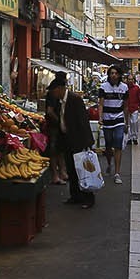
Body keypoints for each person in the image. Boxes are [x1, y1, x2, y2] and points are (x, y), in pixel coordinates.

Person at [47, 74, 96, 208]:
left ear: (60, 89)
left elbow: (83, 122)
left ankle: (88, 198)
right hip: (67, 140)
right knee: (71, 170)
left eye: (54, 91)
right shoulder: (60, 101)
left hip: (78, 141)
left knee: (83, 171)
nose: (53, 94)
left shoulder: (75, 99)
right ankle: (75, 196)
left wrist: (86, 143)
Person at [99, 65, 130, 184]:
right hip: (107, 119)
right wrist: (100, 117)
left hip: (119, 119)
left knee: (118, 144)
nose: (113, 75)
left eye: (116, 73)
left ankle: (117, 173)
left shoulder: (124, 87)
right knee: (108, 145)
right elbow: (101, 104)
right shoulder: (103, 87)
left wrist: (126, 123)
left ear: (119, 75)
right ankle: (108, 163)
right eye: (111, 73)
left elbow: (126, 106)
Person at [42, 74, 68, 184]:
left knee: (60, 150)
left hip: (58, 126)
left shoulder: (59, 93)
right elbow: (50, 111)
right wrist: (59, 121)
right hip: (53, 126)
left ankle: (62, 172)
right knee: (54, 150)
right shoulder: (53, 94)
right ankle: (55, 175)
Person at [126, 79, 140, 147]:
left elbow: (139, 98)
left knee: (134, 122)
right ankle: (129, 138)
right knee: (128, 123)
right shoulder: (125, 87)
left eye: (131, 79)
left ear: (133, 80)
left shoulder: (137, 88)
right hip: (126, 108)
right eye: (129, 79)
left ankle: (134, 137)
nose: (130, 80)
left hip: (134, 107)